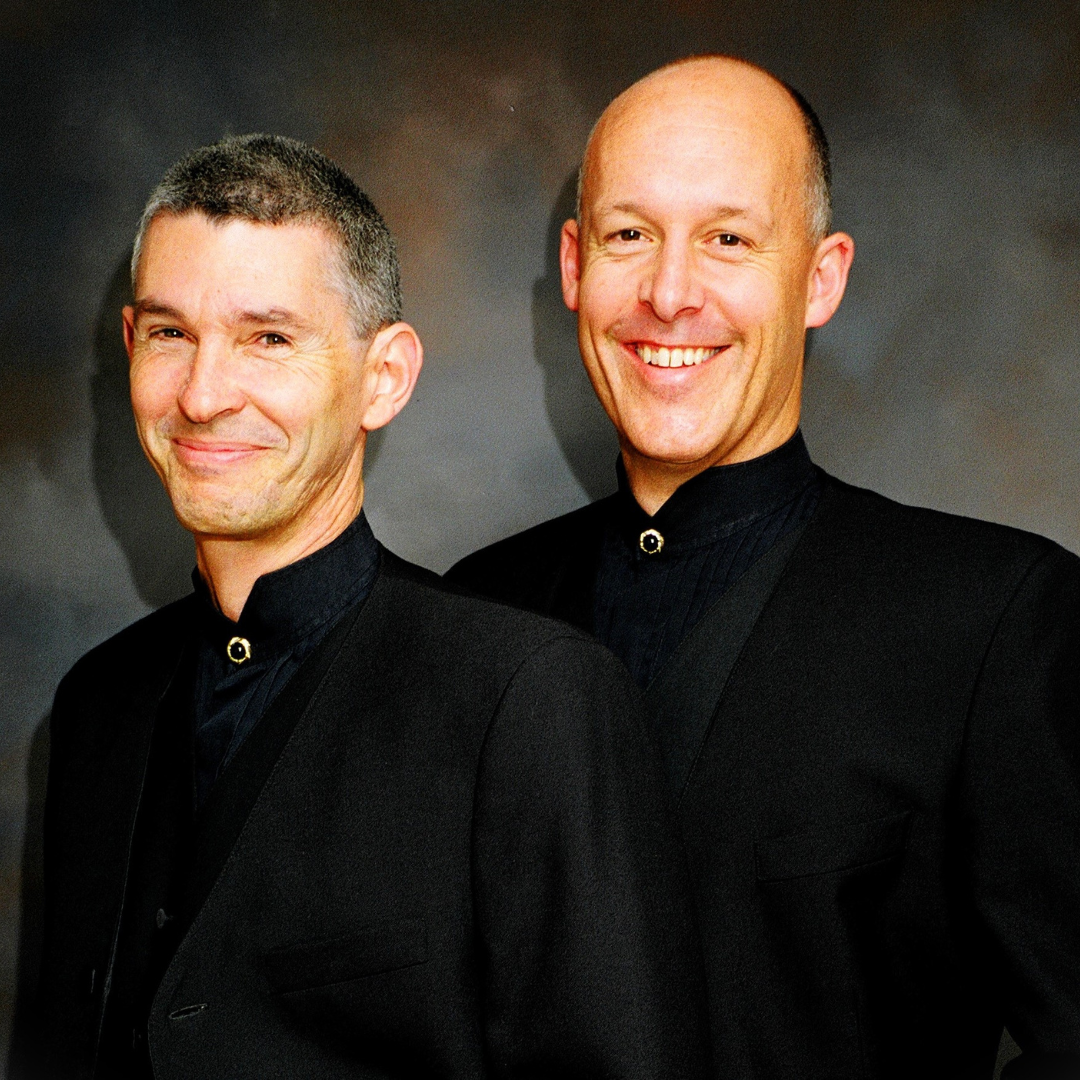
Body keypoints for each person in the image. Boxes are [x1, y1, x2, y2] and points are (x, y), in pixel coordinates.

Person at [448, 56, 1080, 1079]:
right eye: (629, 236)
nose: (668, 293)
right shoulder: (468, 612)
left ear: (821, 277)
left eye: (729, 239)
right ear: (573, 266)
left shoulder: (995, 619)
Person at [31, 134, 709, 1079]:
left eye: (269, 337)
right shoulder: (96, 704)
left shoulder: (528, 702)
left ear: (384, 377)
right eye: (171, 333)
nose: (204, 393)